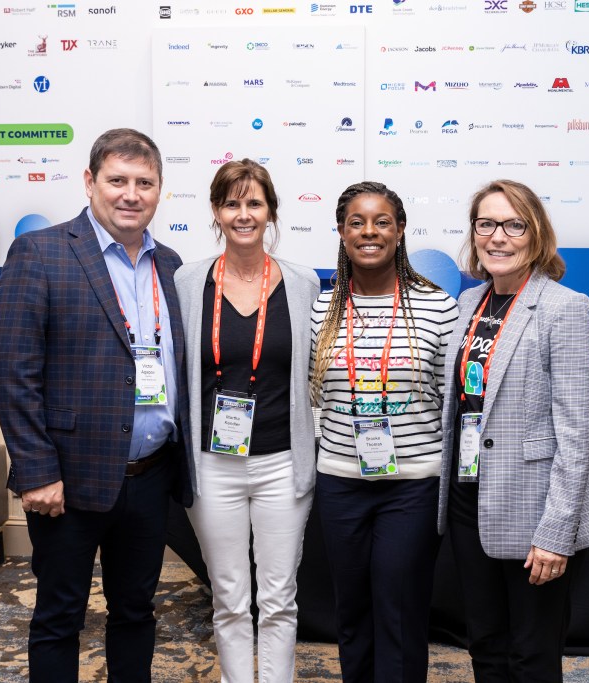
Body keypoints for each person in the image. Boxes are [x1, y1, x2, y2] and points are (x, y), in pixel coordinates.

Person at [0, 128, 192, 683]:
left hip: (150, 477)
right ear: (90, 182)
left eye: (144, 183)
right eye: (118, 180)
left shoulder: (171, 265)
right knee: (59, 617)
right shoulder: (41, 252)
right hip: (67, 483)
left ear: (159, 190)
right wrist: (36, 472)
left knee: (135, 613)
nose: (131, 194)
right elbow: (13, 372)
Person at [437, 179, 589, 682]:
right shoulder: (467, 304)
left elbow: (576, 436)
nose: (498, 237)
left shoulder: (565, 308)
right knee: (484, 644)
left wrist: (556, 533)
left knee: (532, 654)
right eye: (486, 224)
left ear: (536, 235)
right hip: (469, 503)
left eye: (514, 225)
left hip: (533, 511)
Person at [174, 159, 320, 682]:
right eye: (232, 203)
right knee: (230, 598)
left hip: (283, 461)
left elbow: (316, 370)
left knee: (280, 598)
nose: (243, 214)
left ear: (271, 212)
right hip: (213, 465)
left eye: (253, 203)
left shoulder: (302, 283)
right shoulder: (187, 282)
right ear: (217, 211)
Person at [309, 181, 458, 683]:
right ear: (341, 231)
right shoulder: (319, 308)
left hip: (413, 485)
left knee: (398, 609)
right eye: (357, 221)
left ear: (400, 231)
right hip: (339, 481)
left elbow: (449, 403)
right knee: (350, 612)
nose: (369, 231)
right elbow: (312, 398)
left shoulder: (438, 307)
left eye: (381, 221)